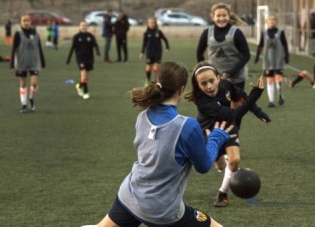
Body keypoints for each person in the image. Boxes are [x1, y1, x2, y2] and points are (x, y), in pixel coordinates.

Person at [81, 62, 233, 227]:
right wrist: (216, 138)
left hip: (130, 196)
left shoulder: (142, 116)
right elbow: (203, 166)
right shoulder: (187, 126)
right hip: (162, 211)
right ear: (182, 90)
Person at [185, 62, 270, 207]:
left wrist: (259, 112)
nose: (209, 86)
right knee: (220, 165)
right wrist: (256, 93)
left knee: (235, 160)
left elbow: (241, 96)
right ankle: (225, 167)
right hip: (209, 131)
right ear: (198, 85)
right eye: (203, 84)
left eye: (211, 81)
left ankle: (222, 193)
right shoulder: (202, 102)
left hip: (228, 125)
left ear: (218, 77)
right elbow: (236, 113)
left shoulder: (226, 85)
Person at [196, 3, 250, 91]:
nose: (221, 18)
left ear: (229, 16)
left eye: (224, 15)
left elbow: (246, 55)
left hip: (236, 79)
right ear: (212, 17)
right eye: (218, 16)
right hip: (215, 80)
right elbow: (199, 54)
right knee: (218, 104)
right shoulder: (207, 33)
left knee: (235, 105)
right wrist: (205, 71)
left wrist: (231, 73)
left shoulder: (236, 33)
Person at [10, 15, 46, 113]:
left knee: (34, 83)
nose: (26, 22)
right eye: (24, 20)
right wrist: (12, 64)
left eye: (28, 20)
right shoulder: (18, 34)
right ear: (21, 22)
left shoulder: (35, 33)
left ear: (31, 22)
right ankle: (24, 104)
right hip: (22, 62)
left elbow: (39, 48)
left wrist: (42, 61)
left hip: (34, 62)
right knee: (23, 83)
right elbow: (13, 49)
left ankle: (31, 98)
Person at [254, 15, 289, 107]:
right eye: (270, 19)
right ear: (266, 22)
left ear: (276, 22)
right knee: (269, 80)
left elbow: (285, 45)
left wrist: (286, 57)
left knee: (278, 80)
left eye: (274, 19)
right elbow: (260, 44)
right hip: (268, 61)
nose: (272, 21)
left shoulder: (280, 32)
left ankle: (280, 95)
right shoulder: (264, 33)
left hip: (278, 59)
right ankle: (271, 101)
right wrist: (257, 56)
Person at [66, 22, 100, 100]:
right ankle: (86, 92)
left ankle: (79, 86)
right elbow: (72, 48)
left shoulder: (90, 36)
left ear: (87, 27)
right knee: (84, 75)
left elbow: (95, 45)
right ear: (79, 27)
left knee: (86, 77)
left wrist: (97, 52)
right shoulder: (76, 37)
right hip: (80, 59)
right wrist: (68, 59)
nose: (83, 27)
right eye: (82, 25)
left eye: (85, 25)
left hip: (89, 58)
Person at [140, 17, 169, 84]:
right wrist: (142, 52)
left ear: (155, 23)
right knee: (148, 68)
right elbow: (144, 43)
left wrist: (167, 47)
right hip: (149, 52)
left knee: (155, 68)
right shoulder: (146, 33)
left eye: (153, 22)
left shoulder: (158, 32)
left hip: (157, 52)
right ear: (147, 24)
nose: (151, 24)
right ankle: (148, 80)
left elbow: (165, 40)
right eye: (150, 23)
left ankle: (156, 81)